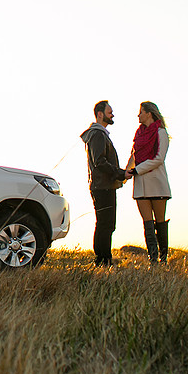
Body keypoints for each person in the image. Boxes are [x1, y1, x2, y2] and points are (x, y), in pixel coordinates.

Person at [80, 101, 127, 266]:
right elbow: (99, 161)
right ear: (100, 114)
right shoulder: (98, 135)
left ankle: (102, 258)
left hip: (102, 185)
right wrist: (120, 173)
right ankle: (103, 259)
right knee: (106, 224)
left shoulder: (99, 134)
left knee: (104, 223)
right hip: (103, 186)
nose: (112, 115)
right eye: (110, 112)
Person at [125, 102, 171, 263]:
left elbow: (159, 158)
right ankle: (153, 258)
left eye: (141, 112)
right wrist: (125, 173)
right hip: (140, 185)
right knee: (147, 223)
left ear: (149, 114)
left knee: (160, 222)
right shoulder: (139, 134)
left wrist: (137, 170)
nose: (138, 115)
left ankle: (163, 258)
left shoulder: (161, 133)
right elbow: (134, 155)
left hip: (157, 184)